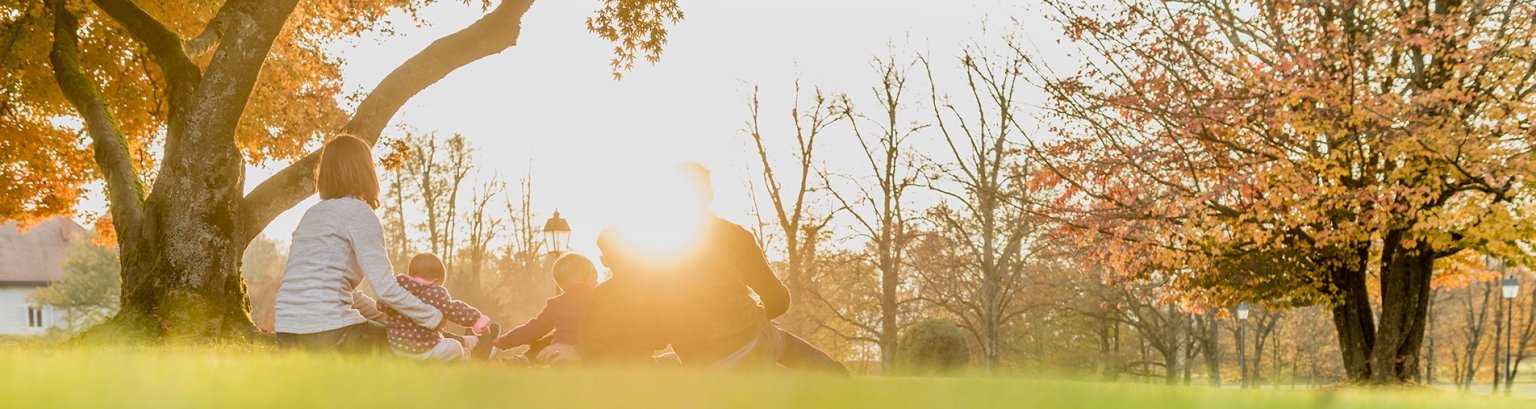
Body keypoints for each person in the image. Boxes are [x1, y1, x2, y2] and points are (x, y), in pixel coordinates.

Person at [589, 162, 847, 373]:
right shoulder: (735, 236)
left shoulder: (654, 250)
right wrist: (751, 316)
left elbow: (649, 323)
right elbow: (778, 300)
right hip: (747, 337)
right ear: (709, 194)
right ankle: (843, 385)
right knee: (785, 344)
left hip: (697, 356)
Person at [273, 135, 444, 352]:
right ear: (365, 171)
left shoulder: (311, 215)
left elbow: (343, 293)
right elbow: (385, 289)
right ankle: (469, 347)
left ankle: (469, 343)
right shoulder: (359, 213)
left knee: (402, 329)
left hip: (287, 335)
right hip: (331, 333)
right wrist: (432, 316)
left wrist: (390, 317)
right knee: (414, 342)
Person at [385, 253, 497, 361]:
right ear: (436, 281)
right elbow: (454, 309)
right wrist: (476, 320)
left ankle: (471, 342)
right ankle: (465, 356)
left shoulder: (398, 290)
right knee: (455, 347)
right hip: (423, 351)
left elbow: (381, 305)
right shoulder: (434, 292)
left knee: (437, 336)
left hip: (397, 349)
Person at [492, 253, 597, 363]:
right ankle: (527, 359)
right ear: (588, 277)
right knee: (548, 340)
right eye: (596, 277)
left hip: (555, 353)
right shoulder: (598, 299)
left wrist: (503, 341)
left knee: (544, 342)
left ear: (562, 284)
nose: (597, 282)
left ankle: (526, 359)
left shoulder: (557, 304)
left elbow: (532, 330)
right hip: (588, 353)